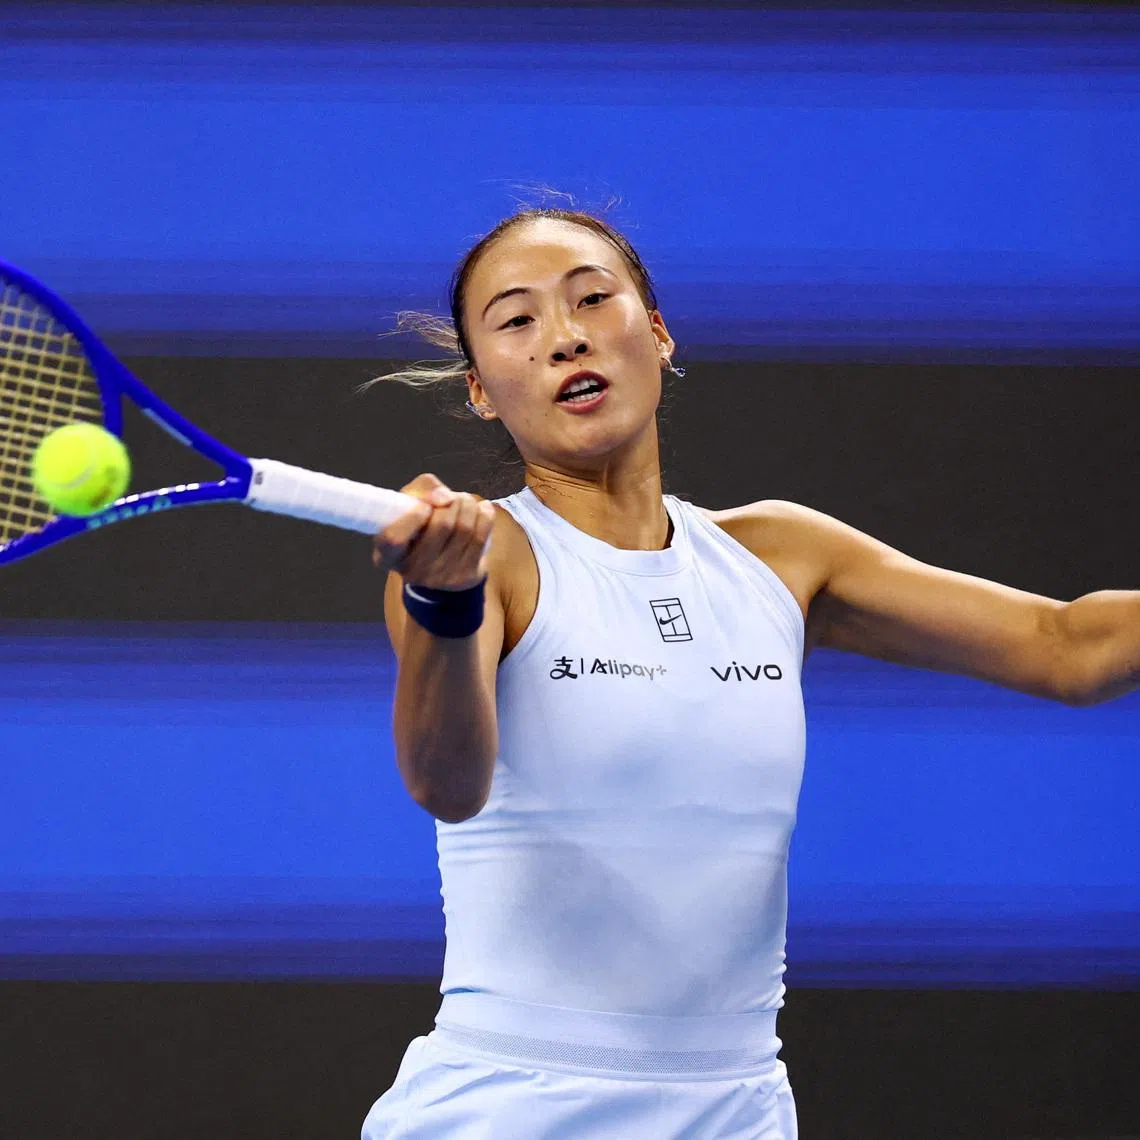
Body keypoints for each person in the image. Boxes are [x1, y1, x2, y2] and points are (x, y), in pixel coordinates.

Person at [360, 205, 1137, 1140]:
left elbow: (1068, 648)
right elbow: (446, 784)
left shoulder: (781, 554)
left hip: (736, 1110)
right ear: (482, 388)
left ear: (655, 332)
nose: (564, 337)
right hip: (510, 1108)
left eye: (592, 299)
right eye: (517, 320)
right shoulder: (493, 557)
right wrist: (443, 604)